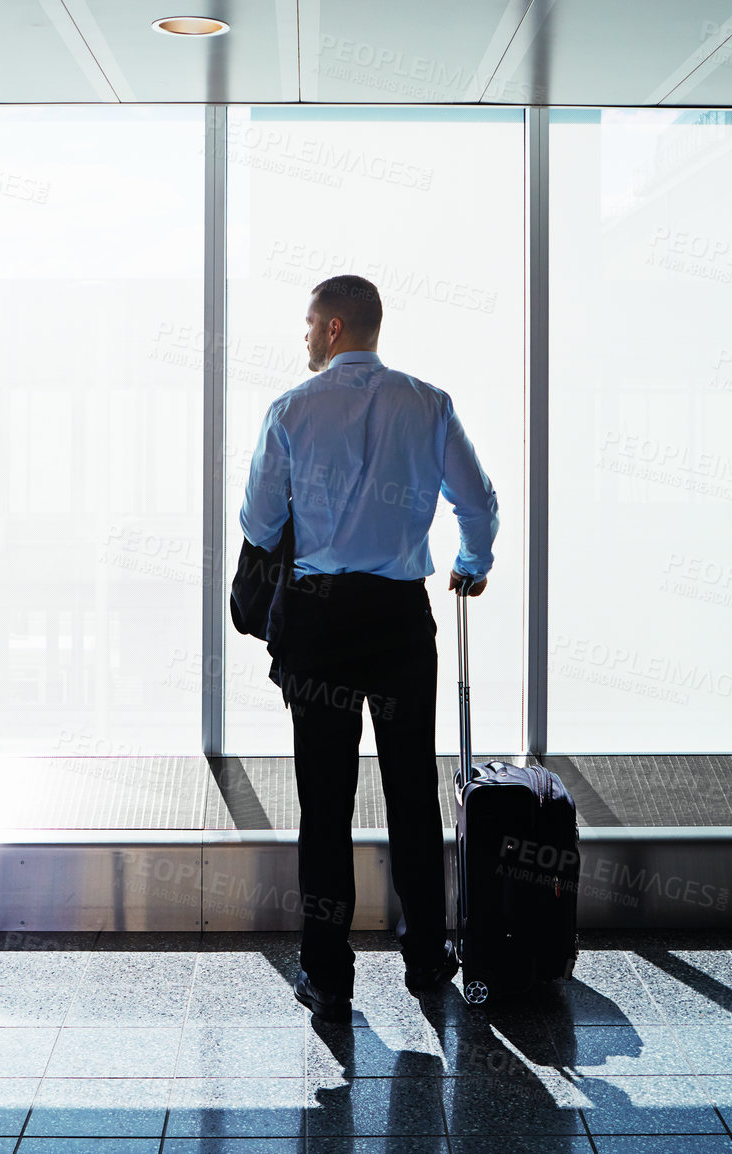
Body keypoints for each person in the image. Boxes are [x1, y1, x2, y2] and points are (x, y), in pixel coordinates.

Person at [239, 274, 499, 1022]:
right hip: (397, 618)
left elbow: (259, 524)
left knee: (325, 804)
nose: (306, 336)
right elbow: (477, 501)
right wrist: (470, 566)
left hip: (320, 624)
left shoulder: (290, 409)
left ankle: (328, 972)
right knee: (413, 791)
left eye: (308, 323)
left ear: (330, 329)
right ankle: (426, 960)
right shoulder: (429, 402)